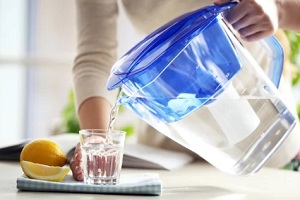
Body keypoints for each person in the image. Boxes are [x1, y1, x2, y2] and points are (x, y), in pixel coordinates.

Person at [70, 0, 300, 181]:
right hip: (171, 158)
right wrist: (98, 140)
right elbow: (95, 57)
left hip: (268, 147)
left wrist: (279, 10)